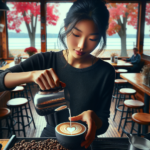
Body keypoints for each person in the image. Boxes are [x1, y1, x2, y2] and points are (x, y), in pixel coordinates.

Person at [0, 0, 115, 149]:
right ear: (66, 28)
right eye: (76, 34)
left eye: (92, 38)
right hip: (50, 138)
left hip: (84, 141)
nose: (81, 45)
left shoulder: (105, 72)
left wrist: (95, 120)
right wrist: (31, 75)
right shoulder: (45, 60)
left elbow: (103, 123)